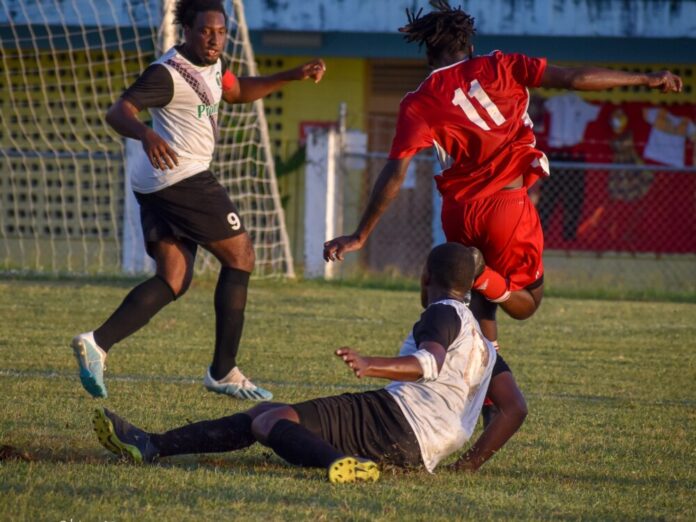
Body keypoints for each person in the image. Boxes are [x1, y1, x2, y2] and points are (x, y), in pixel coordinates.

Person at [322, 1, 682, 349]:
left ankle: (490, 388)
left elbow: (394, 173)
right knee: (527, 301)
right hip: (505, 208)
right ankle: (479, 273)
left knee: (482, 303)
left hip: (460, 213)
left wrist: (360, 234)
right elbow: (574, 77)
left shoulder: (418, 102)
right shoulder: (503, 64)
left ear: (428, 54)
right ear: (470, 45)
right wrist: (646, 78)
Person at [91, 243, 527, 483]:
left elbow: (428, 363)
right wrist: (469, 464)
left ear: (426, 279)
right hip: (424, 449)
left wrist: (370, 362)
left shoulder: (441, 313)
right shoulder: (485, 344)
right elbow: (513, 408)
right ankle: (154, 445)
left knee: (270, 421)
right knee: (263, 414)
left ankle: (340, 465)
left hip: (399, 420)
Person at [71, 0, 326, 400]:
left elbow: (238, 90)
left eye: (221, 32)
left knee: (174, 279)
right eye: (207, 31)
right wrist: (147, 134)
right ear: (186, 30)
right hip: (181, 175)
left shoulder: (214, 66)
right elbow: (117, 112)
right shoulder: (166, 73)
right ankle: (224, 370)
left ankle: (96, 343)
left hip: (157, 181)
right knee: (241, 256)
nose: (215, 39)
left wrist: (294, 74)